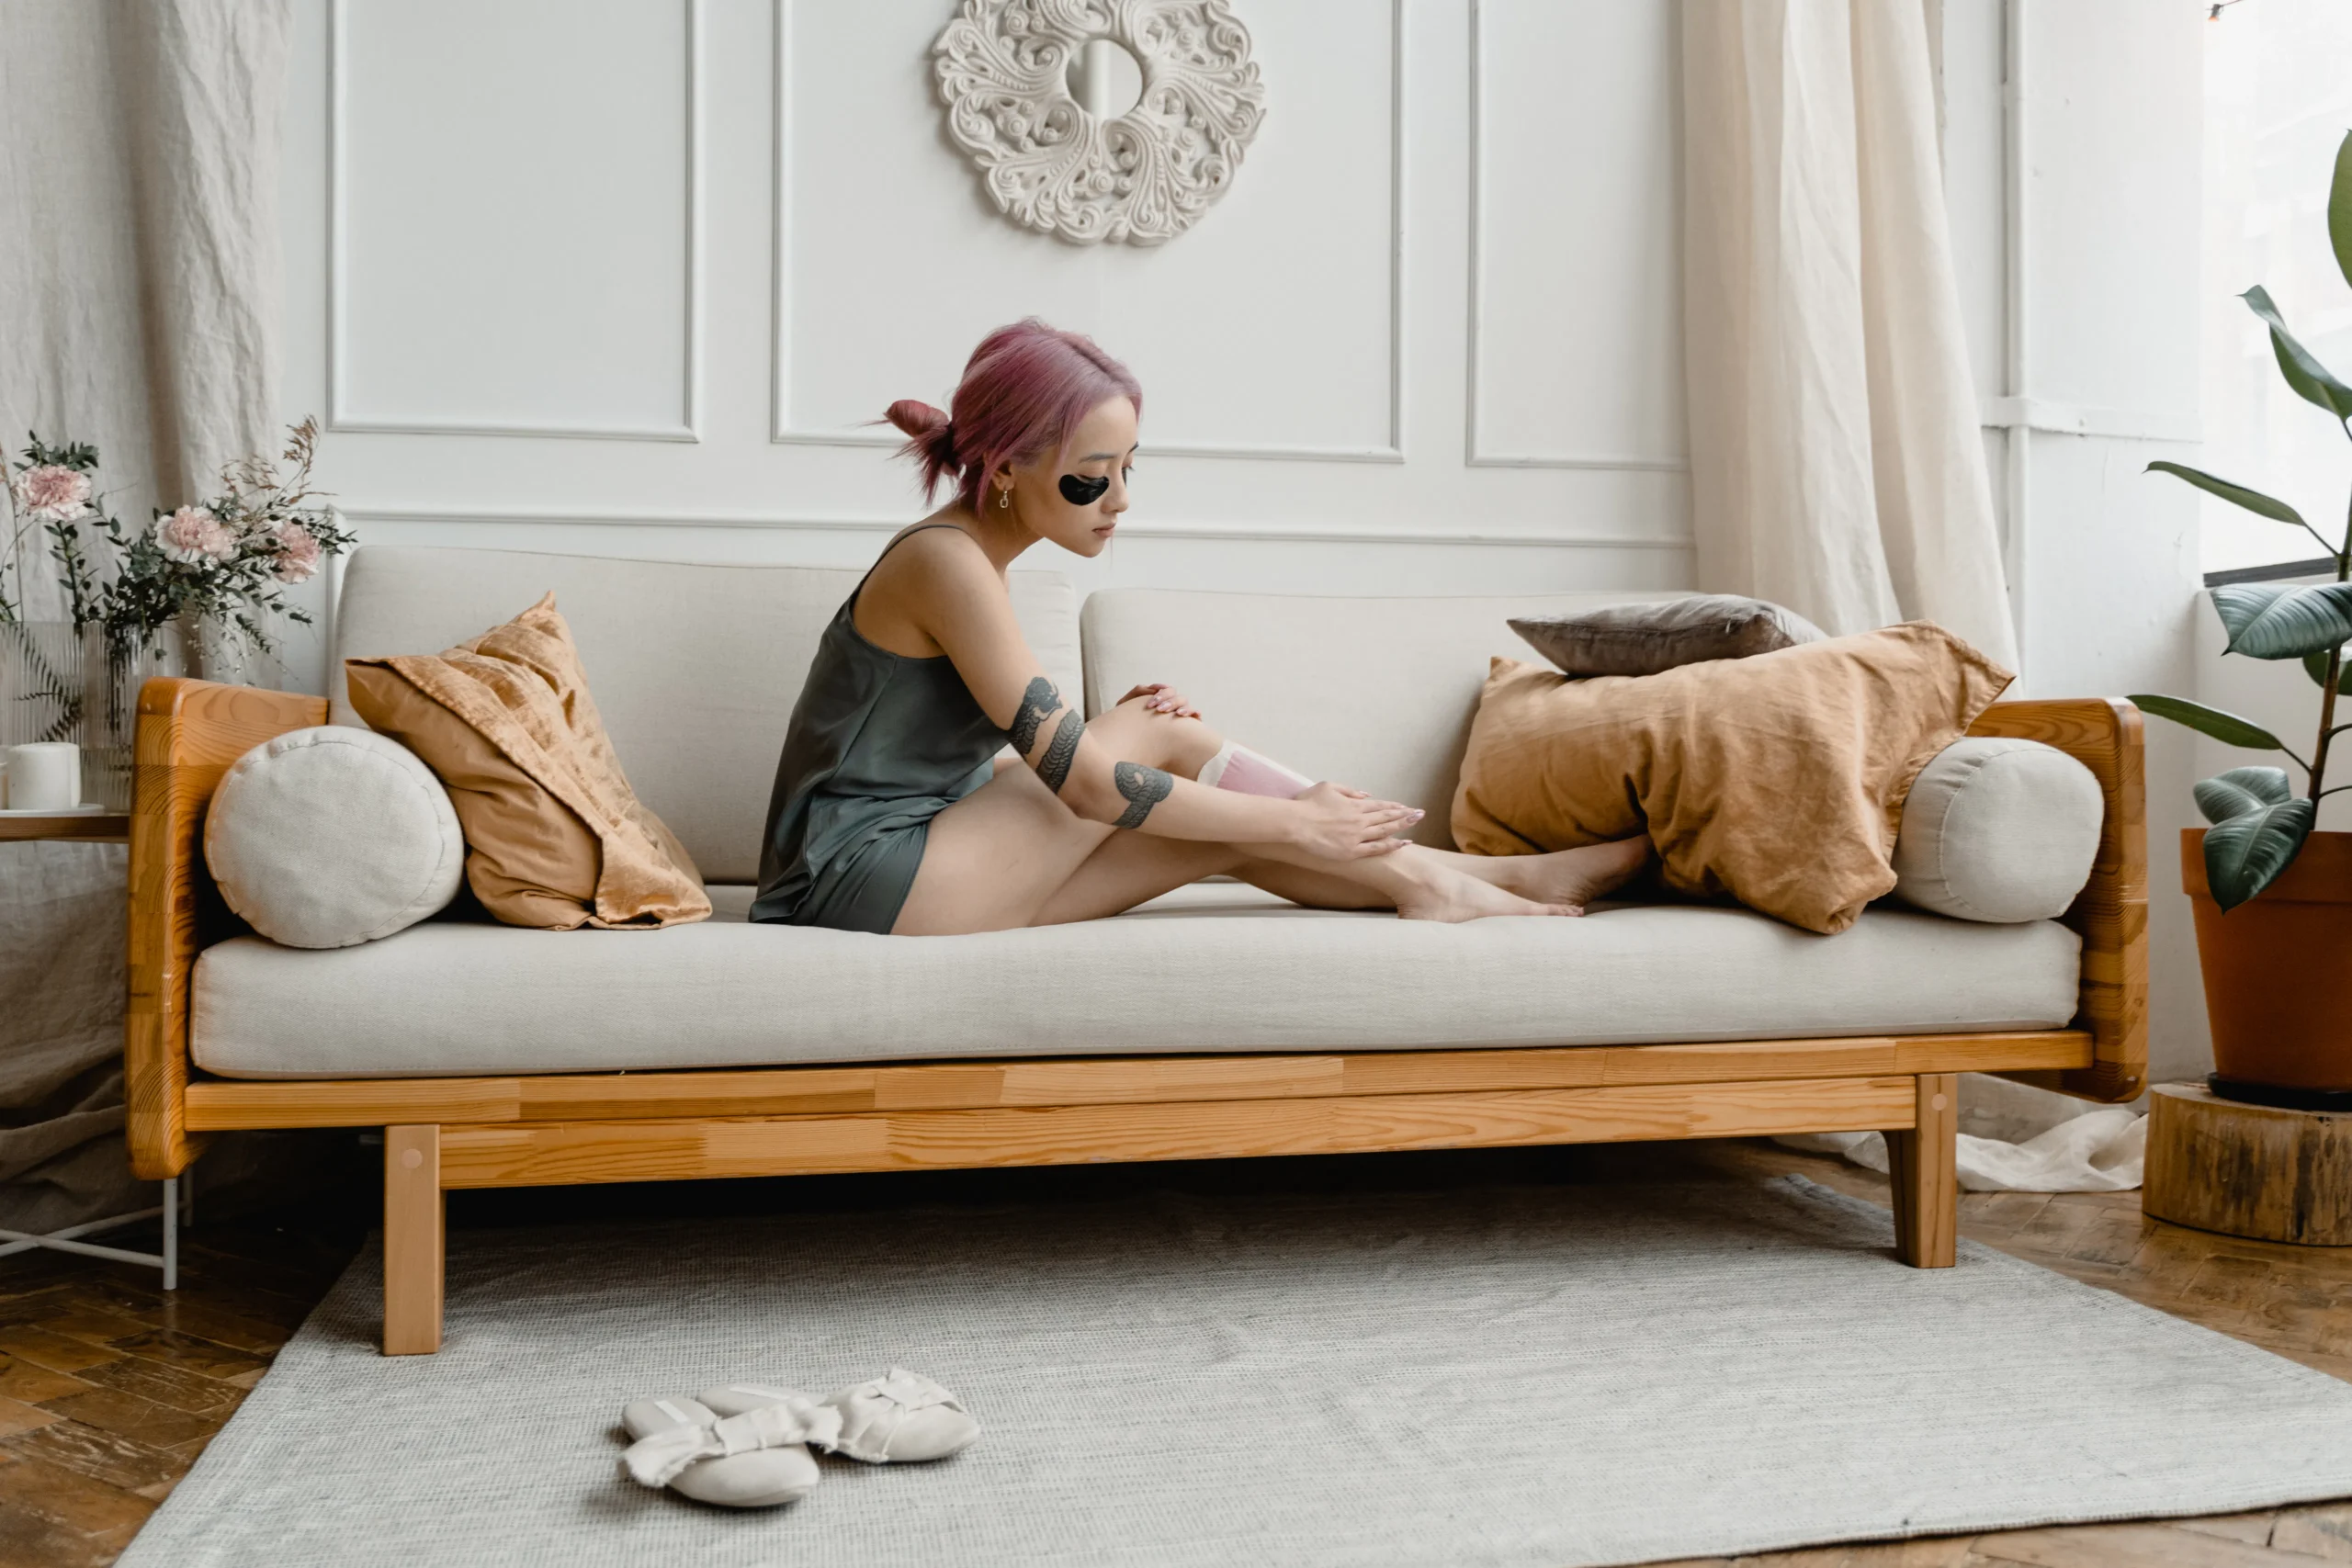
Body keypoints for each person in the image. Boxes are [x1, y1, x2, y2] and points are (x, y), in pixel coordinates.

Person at [751, 319, 1650, 935]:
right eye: (1089, 476)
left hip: (911, 866)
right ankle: (1444, 880)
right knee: (1157, 737)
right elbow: (1086, 788)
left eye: (1128, 469)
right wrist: (1299, 819)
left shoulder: (968, 560)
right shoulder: (946, 564)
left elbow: (959, 752)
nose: (1119, 501)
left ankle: (1474, 883)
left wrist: (1255, 809)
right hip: (855, 879)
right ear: (1004, 470)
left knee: (1206, 820)